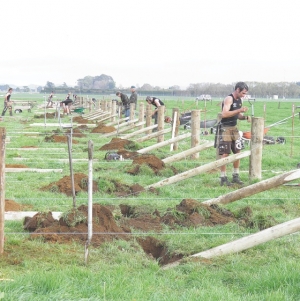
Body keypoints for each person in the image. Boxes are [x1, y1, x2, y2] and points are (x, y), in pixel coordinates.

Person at [218, 82, 251, 186]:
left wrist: (244, 117)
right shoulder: (229, 99)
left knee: (238, 152)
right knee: (225, 153)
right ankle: (223, 178)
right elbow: (224, 114)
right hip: (226, 129)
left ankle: (235, 176)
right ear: (237, 90)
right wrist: (239, 110)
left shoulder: (240, 100)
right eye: (243, 93)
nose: (244, 95)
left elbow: (238, 115)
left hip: (234, 128)